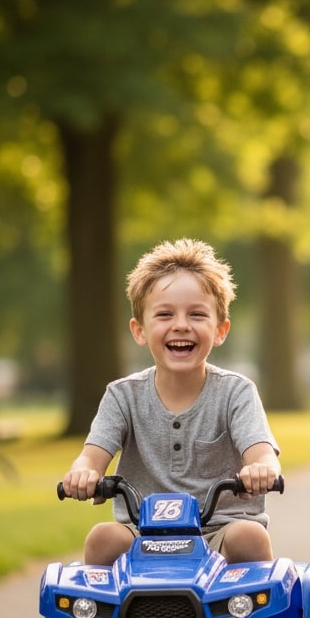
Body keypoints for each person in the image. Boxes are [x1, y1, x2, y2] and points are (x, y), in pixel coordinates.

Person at [60, 237, 282, 568]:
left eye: (197, 314)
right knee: (103, 538)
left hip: (220, 532)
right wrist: (83, 475)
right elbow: (90, 459)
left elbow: (261, 453)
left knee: (249, 538)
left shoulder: (236, 392)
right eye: (164, 314)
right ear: (140, 330)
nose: (181, 325)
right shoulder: (123, 396)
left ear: (220, 330)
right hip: (142, 535)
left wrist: (262, 469)